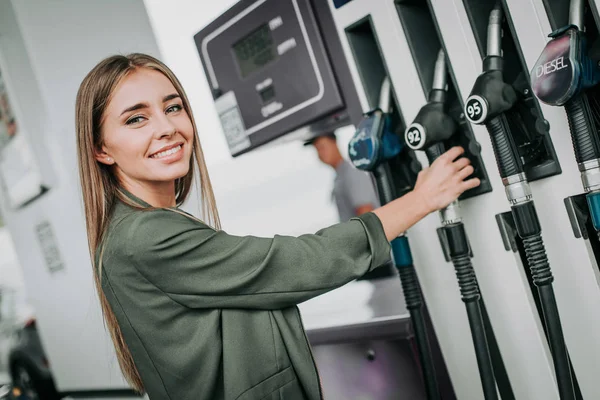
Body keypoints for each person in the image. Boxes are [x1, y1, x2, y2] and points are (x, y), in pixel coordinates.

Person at [75, 53, 479, 400]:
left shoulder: (144, 228)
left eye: (173, 107)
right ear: (100, 149)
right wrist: (422, 199)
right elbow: (293, 264)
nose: (166, 127)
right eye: (136, 119)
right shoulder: (143, 237)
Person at [305, 132, 379, 222]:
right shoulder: (340, 175)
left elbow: (366, 213)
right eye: (317, 149)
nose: (320, 153)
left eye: (322, 147)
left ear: (334, 143)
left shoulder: (352, 171)